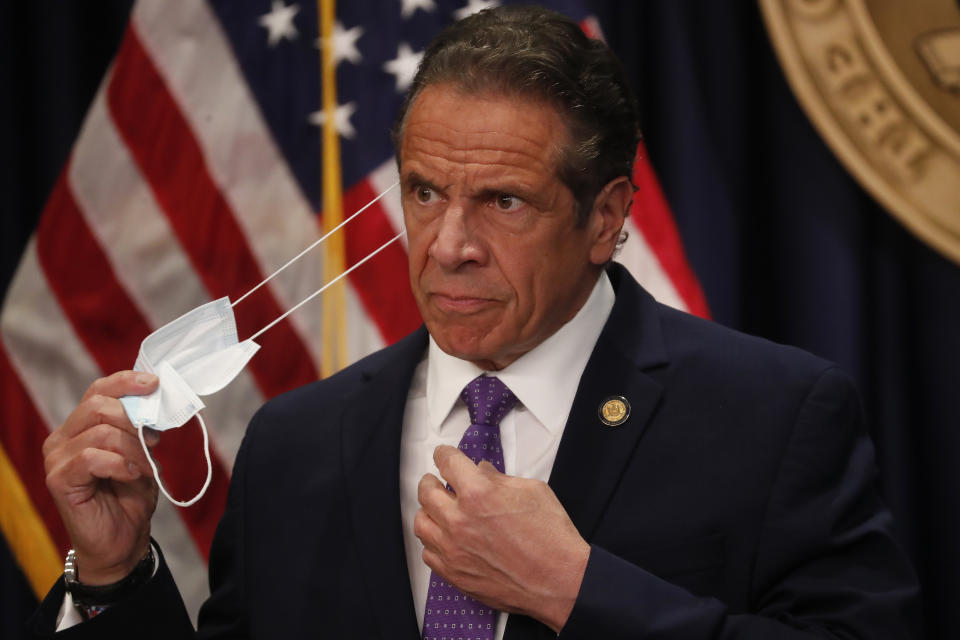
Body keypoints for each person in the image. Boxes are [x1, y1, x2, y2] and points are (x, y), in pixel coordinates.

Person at [31, 5, 920, 639]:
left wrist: (578, 592)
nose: (447, 246)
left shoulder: (773, 416)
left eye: (502, 201)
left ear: (607, 218)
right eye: (423, 192)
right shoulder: (298, 442)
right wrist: (113, 580)